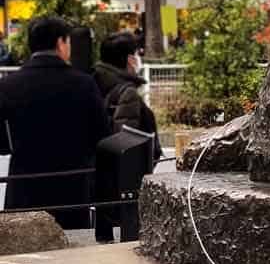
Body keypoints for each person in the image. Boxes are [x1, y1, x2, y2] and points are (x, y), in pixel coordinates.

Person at [0, 16, 109, 229]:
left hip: (24, 186)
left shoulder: (8, 85)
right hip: (71, 187)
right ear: (60, 43)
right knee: (72, 246)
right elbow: (101, 135)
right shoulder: (83, 84)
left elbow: (2, 143)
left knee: (24, 244)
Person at [93, 31, 161, 243]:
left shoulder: (93, 83)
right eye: (136, 54)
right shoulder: (127, 92)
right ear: (129, 59)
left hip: (99, 180)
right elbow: (128, 144)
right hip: (121, 188)